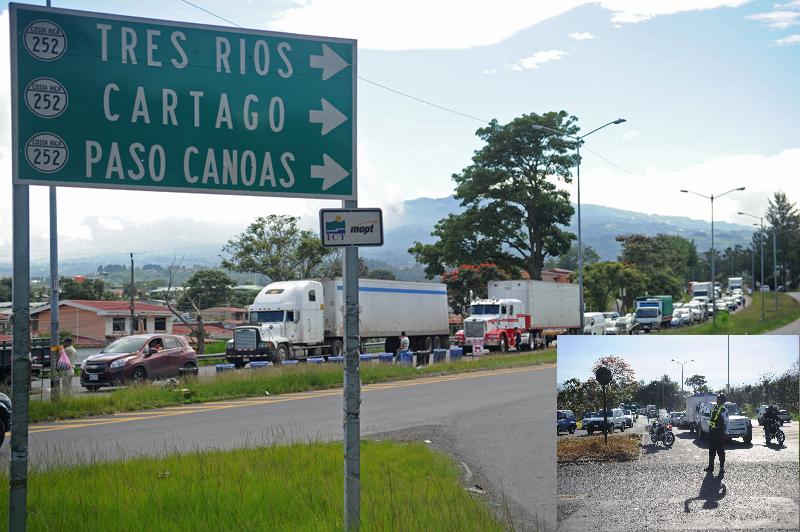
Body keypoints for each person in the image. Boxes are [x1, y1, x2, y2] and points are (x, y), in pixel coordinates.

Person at [705, 393, 729, 475]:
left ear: (722, 400)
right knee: (711, 449)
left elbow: (727, 422)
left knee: (721, 451)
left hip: (720, 432)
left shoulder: (725, 410)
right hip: (713, 432)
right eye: (717, 399)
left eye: (719, 399)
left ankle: (722, 468)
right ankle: (711, 466)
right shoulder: (714, 408)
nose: (717, 400)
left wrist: (725, 432)